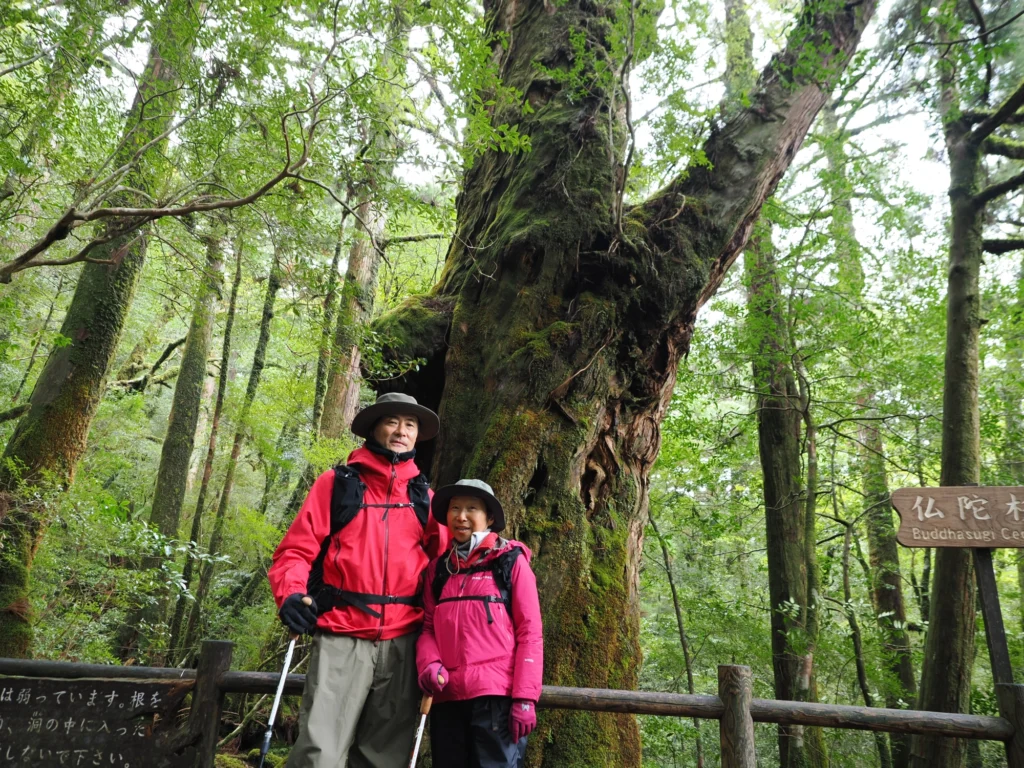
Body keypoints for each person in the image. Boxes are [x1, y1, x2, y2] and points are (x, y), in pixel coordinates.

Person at [268, 392, 448, 768]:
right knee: (320, 752)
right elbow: (295, 551)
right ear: (374, 428)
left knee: (384, 757)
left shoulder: (424, 498)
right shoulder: (337, 484)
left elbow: (444, 566)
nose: (402, 431)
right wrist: (290, 595)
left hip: (404, 640)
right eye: (393, 421)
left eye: (410, 424)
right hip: (342, 634)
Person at [416, 478, 544, 768]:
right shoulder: (439, 570)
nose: (461, 516)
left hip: (495, 701)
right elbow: (427, 628)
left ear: (488, 518)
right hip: (447, 697)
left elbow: (530, 633)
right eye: (455, 508)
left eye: (471, 508)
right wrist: (429, 663)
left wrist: (525, 697)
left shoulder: (509, 561)